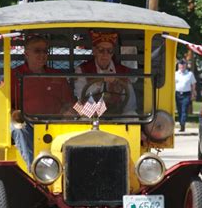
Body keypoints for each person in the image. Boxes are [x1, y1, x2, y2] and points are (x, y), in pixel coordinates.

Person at [11, 35, 74, 168]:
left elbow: (70, 101)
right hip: (27, 123)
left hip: (55, 122)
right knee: (18, 128)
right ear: (26, 53)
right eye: (37, 51)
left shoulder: (56, 75)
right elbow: (4, 103)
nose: (42, 54)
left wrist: (72, 111)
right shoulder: (14, 75)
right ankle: (35, 170)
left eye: (45, 51)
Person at [74, 31, 137, 114]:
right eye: (101, 50)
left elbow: (130, 104)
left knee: (132, 116)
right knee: (80, 112)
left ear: (113, 53)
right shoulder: (82, 70)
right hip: (90, 115)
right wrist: (98, 84)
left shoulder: (122, 71)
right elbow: (79, 98)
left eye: (109, 50)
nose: (105, 55)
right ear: (94, 51)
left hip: (116, 115)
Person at [175, 59, 196, 132]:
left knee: (184, 110)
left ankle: (182, 124)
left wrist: (193, 93)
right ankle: (181, 124)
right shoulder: (175, 74)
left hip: (186, 94)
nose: (182, 66)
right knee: (179, 110)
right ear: (178, 66)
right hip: (177, 94)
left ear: (185, 66)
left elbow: (193, 84)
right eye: (180, 65)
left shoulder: (190, 74)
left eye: (183, 65)